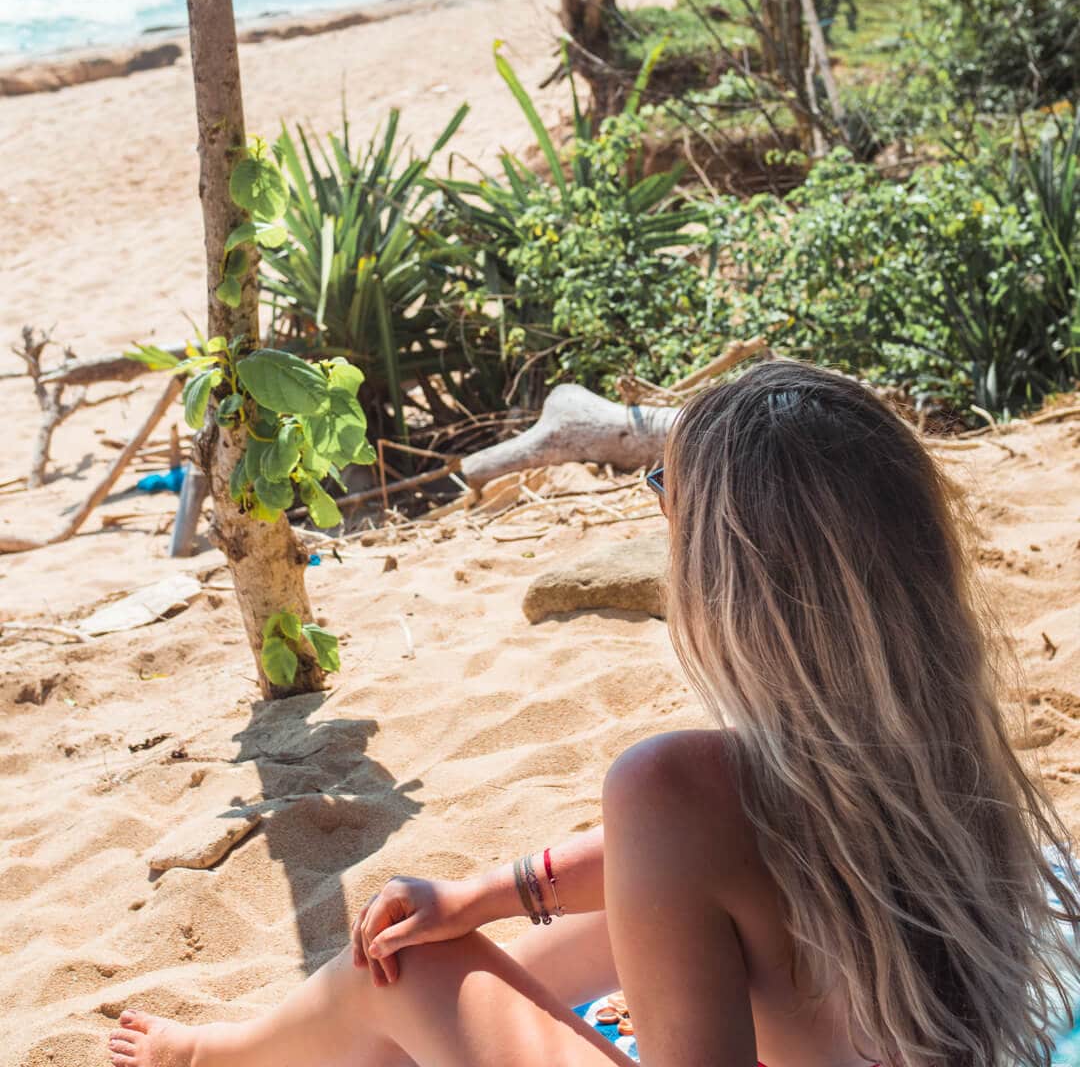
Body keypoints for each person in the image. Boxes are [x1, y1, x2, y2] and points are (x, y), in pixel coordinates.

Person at [107, 361, 1080, 1067]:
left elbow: (687, 847)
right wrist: (486, 893)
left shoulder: (675, 786)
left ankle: (214, 1059)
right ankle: (242, 1053)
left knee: (402, 975)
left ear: (724, 575)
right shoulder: (940, 747)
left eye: (667, 491)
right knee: (503, 934)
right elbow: (714, 854)